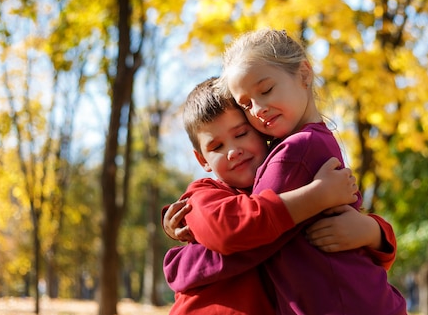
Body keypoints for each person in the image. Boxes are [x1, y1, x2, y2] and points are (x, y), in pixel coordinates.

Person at [211, 28, 406, 314]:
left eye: (266, 90)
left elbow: (244, 236)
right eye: (246, 104)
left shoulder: (296, 151)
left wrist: (180, 265)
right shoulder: (314, 141)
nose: (258, 109)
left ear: (304, 74)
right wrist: (376, 232)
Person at [163, 77, 397, 314]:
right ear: (202, 160)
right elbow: (231, 230)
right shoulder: (203, 195)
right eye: (216, 147)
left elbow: (342, 242)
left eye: (242, 134)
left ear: (260, 128)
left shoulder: (291, 173)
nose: (233, 151)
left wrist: (373, 232)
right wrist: (316, 196)